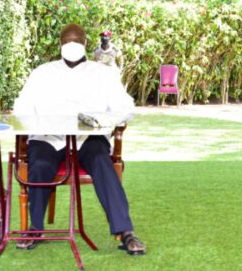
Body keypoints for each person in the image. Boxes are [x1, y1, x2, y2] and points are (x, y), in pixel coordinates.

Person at [13, 23, 145, 255]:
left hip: (87, 138)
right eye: (67, 41)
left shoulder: (103, 73)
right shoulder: (42, 72)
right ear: (60, 45)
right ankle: (35, 228)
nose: (71, 45)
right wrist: (35, 122)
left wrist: (104, 120)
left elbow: (126, 107)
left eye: (76, 40)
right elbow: (21, 107)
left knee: (102, 162)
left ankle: (125, 231)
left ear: (84, 43)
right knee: (41, 165)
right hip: (49, 137)